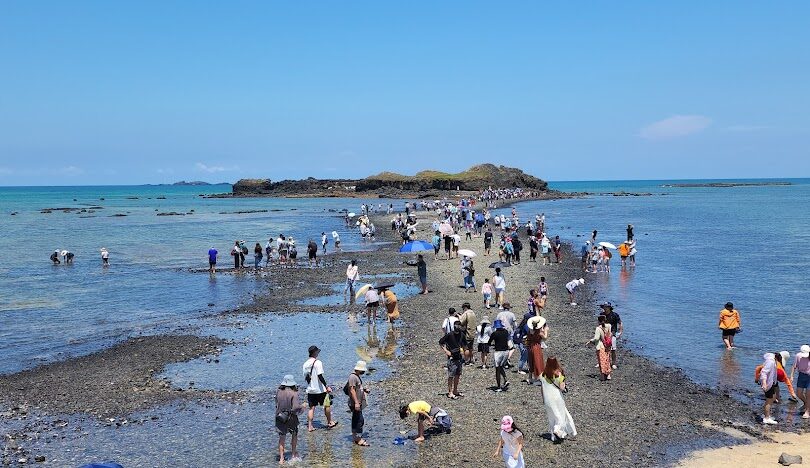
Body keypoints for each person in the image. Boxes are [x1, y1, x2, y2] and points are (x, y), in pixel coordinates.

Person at [540, 357, 577, 443]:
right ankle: (561, 431)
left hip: (547, 399)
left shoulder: (542, 375)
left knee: (552, 417)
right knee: (562, 415)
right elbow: (562, 388)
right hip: (557, 398)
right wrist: (562, 380)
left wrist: (543, 399)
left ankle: (555, 436)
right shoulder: (558, 374)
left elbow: (542, 389)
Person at [302, 345, 337, 432]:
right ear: (315, 353)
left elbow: (306, 377)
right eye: (317, 352)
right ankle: (330, 422)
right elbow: (320, 376)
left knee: (311, 408)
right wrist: (326, 386)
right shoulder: (318, 362)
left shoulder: (305, 364)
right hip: (320, 390)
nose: (318, 353)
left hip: (311, 390)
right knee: (327, 405)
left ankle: (310, 426)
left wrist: (310, 385)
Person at [275, 374, 305, 465]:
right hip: (291, 418)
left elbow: (276, 403)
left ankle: (281, 458)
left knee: (282, 437)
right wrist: (303, 407)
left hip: (280, 417)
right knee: (294, 434)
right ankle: (293, 455)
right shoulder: (294, 393)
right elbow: (295, 408)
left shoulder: (278, 391)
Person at [346, 360, 370, 446]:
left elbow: (357, 388)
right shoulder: (352, 377)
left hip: (358, 402)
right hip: (355, 403)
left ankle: (355, 436)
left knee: (356, 419)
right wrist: (356, 403)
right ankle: (358, 439)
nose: (363, 372)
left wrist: (364, 390)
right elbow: (352, 390)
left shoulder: (357, 376)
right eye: (363, 370)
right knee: (360, 420)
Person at [439, 323, 464, 399]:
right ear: (455, 327)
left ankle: (455, 390)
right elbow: (440, 342)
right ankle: (450, 392)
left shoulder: (461, 334)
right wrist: (446, 350)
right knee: (451, 376)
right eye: (458, 326)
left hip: (459, 358)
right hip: (452, 358)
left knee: (458, 375)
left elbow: (464, 344)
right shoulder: (450, 334)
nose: (459, 328)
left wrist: (464, 350)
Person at [586, 315, 613, 381]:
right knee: (607, 359)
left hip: (601, 346)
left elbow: (596, 338)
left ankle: (602, 376)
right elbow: (610, 334)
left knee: (601, 361)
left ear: (598, 321)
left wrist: (590, 341)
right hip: (608, 345)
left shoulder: (598, 328)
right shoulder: (609, 326)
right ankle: (608, 375)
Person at [488, 320, 511, 392]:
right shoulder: (506, 332)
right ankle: (505, 379)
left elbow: (489, 342)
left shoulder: (494, 333)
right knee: (501, 367)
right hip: (506, 351)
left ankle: (498, 387)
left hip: (498, 352)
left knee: (497, 369)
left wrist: (492, 345)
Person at [600, 303, 623, 369]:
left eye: (606, 307)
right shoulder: (602, 314)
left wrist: (620, 332)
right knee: (603, 349)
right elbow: (599, 323)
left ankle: (613, 363)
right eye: (604, 307)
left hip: (612, 333)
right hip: (604, 333)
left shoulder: (615, 315)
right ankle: (603, 362)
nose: (605, 308)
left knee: (613, 349)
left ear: (609, 307)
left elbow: (620, 323)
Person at [526, 316, 548, 384]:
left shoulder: (530, 330)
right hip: (536, 347)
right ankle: (539, 378)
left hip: (530, 347)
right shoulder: (539, 332)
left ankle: (530, 378)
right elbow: (545, 338)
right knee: (538, 362)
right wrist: (546, 330)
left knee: (531, 361)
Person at [759, 353, 779, 424]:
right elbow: (764, 372)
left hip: (771, 382)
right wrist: (764, 383)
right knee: (769, 400)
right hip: (768, 384)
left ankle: (767, 414)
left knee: (772, 398)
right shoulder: (771, 362)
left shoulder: (769, 361)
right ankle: (766, 418)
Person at [791, 345, 810, 419]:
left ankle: (807, 412)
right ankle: (806, 403)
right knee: (799, 393)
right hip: (801, 375)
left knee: (808, 394)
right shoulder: (798, 356)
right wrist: (792, 376)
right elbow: (794, 366)